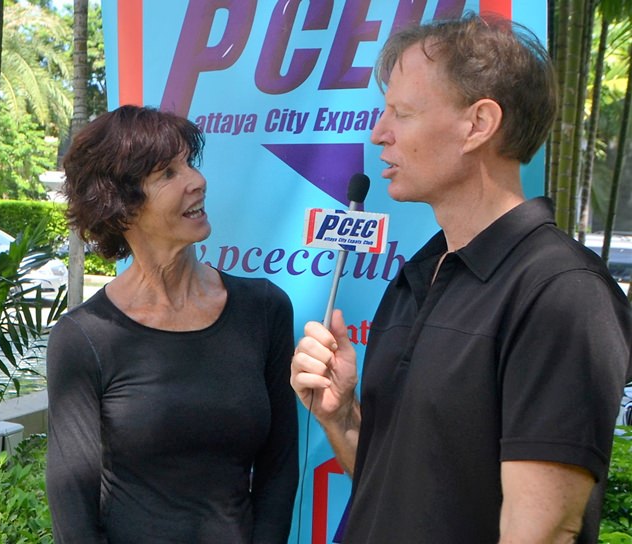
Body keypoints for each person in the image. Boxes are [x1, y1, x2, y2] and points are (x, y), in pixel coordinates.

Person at [291, 13, 632, 543]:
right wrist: (342, 420)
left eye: (402, 113)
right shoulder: (418, 277)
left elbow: (543, 530)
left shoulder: (562, 291)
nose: (379, 133)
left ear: (479, 124)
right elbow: (407, 496)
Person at [46, 105, 299, 543]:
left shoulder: (264, 309)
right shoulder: (84, 337)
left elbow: (279, 468)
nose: (197, 181)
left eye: (189, 163)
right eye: (167, 173)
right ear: (121, 208)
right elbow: (74, 509)